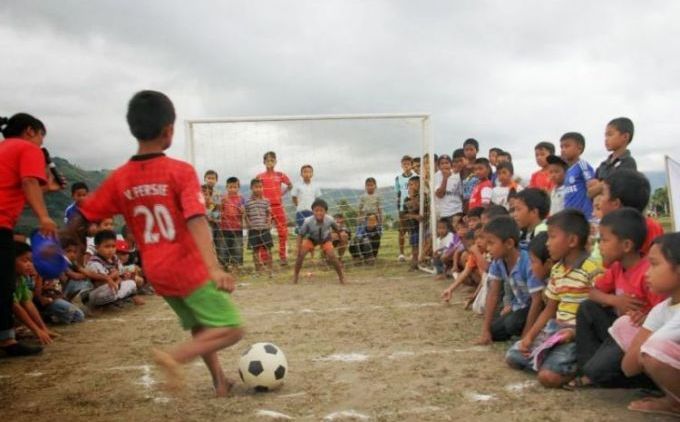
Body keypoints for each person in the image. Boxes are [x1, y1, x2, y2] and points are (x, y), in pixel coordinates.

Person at [72, 91, 243, 396]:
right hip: (187, 267)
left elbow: (83, 217)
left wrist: (54, 240)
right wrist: (213, 268)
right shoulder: (180, 172)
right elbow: (196, 218)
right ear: (169, 131)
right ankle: (174, 357)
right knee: (232, 328)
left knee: (202, 326)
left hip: (157, 272)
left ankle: (220, 381)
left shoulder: (120, 178)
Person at [506, 209, 602, 388]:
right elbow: (550, 309)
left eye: (552, 237)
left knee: (548, 378)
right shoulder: (557, 270)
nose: (548, 244)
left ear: (572, 240)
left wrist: (574, 332)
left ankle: (574, 370)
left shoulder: (591, 269)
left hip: (577, 336)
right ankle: (550, 359)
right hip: (555, 332)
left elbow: (599, 312)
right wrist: (529, 337)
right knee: (513, 355)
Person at [572, 208, 663, 389]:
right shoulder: (616, 268)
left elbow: (664, 313)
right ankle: (588, 370)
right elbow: (593, 292)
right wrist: (615, 301)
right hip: (619, 329)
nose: (599, 246)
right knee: (587, 307)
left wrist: (646, 318)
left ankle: (646, 380)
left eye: (604, 240)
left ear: (626, 245)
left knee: (600, 369)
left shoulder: (648, 273)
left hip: (640, 336)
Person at [0, 112, 59, 357]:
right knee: (4, 284)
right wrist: (44, 217)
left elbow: (18, 191)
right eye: (41, 137)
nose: (41, 145)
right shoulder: (27, 148)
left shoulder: (5, 149)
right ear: (30, 131)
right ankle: (6, 341)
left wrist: (48, 188)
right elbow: (29, 183)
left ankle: (7, 340)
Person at [615, 233, 680, 417]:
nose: (646, 273)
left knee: (654, 350)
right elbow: (629, 367)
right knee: (625, 324)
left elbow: (647, 352)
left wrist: (646, 344)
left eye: (655, 264)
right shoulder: (662, 309)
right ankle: (674, 399)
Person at [474, 216, 545, 344]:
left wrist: (526, 335)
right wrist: (485, 330)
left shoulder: (528, 261)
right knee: (494, 330)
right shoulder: (498, 261)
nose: (487, 248)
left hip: (536, 308)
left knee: (512, 323)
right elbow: (493, 294)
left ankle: (532, 332)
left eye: (491, 243)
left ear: (509, 244)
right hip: (519, 307)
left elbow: (537, 301)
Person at [598, 169, 664, 255]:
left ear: (616, 204)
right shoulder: (654, 226)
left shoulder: (617, 231)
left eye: (603, 194)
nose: (599, 199)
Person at [12, 241, 59, 345]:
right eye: (25, 261)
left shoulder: (21, 279)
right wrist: (36, 331)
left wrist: (43, 328)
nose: (29, 265)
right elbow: (15, 307)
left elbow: (27, 302)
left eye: (31, 261)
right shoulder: (6, 279)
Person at [293, 199, 345, 284]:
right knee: (301, 255)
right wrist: (298, 247)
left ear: (326, 211)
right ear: (312, 211)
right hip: (312, 239)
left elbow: (337, 229)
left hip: (325, 238)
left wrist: (340, 238)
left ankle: (341, 277)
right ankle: (295, 276)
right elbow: (300, 235)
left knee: (332, 256)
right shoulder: (308, 221)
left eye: (321, 210)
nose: (319, 213)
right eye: (316, 210)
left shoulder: (330, 219)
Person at [85, 230, 141, 307]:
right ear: (97, 247)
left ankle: (114, 301)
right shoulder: (94, 262)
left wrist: (118, 279)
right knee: (111, 289)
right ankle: (100, 306)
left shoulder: (114, 258)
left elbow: (120, 275)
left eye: (113, 246)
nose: (111, 250)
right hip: (95, 293)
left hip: (111, 287)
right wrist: (114, 276)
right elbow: (99, 283)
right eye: (107, 246)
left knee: (131, 283)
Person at [256, 151, 292, 265]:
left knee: (283, 232)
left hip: (278, 207)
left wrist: (282, 194)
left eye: (272, 160)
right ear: (264, 162)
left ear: (275, 162)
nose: (270, 162)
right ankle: (264, 259)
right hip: (264, 208)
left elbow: (290, 185)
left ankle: (283, 257)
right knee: (263, 232)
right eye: (267, 160)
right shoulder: (259, 176)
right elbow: (255, 189)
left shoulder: (280, 175)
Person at [588, 117, 637, 198]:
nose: (606, 139)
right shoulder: (603, 165)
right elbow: (590, 192)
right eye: (605, 136)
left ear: (625, 137)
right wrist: (603, 185)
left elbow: (618, 186)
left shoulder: (628, 162)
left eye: (610, 135)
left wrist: (600, 186)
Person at [560, 132, 595, 220]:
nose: (563, 150)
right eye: (561, 147)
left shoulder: (582, 166)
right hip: (569, 216)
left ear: (579, 148)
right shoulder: (567, 170)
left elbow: (592, 189)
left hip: (583, 217)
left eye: (567, 146)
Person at [245, 178, 274, 277]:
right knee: (255, 251)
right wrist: (248, 224)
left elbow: (269, 213)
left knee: (268, 249)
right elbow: (246, 215)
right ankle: (258, 271)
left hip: (264, 229)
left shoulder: (266, 201)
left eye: (260, 187)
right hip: (254, 230)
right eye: (256, 187)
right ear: (251, 188)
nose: (258, 189)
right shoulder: (248, 202)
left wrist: (269, 223)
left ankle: (270, 271)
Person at [220, 177, 246, 271]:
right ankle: (224, 267)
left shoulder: (241, 198)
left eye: (235, 187)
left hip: (237, 228)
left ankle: (236, 267)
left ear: (238, 188)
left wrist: (243, 211)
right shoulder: (223, 198)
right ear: (226, 187)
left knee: (237, 248)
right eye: (230, 187)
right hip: (224, 228)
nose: (232, 189)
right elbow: (219, 211)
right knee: (223, 248)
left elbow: (243, 211)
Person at [395, 155, 415, 262]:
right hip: (403, 207)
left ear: (411, 165)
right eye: (404, 164)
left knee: (412, 230)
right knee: (402, 230)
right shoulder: (398, 178)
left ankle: (413, 253)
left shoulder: (416, 176)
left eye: (408, 164)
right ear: (401, 165)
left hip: (413, 207)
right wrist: (399, 208)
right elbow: (397, 194)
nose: (406, 166)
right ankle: (401, 253)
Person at [292, 165, 322, 233]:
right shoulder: (297, 185)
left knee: (312, 232)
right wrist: (297, 205)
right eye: (305, 172)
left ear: (312, 174)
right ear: (301, 174)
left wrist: (317, 210)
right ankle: (300, 243)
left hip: (312, 212)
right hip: (300, 211)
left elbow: (318, 199)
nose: (307, 174)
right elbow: (294, 197)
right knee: (301, 232)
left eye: (309, 172)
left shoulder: (316, 186)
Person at [402, 176, 424, 270]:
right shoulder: (406, 200)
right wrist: (415, 216)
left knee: (424, 245)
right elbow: (406, 214)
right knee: (414, 247)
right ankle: (414, 263)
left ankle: (422, 261)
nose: (411, 187)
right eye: (409, 185)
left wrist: (415, 197)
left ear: (419, 185)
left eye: (413, 184)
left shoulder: (423, 197)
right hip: (413, 227)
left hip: (423, 226)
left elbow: (418, 206)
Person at [433, 154, 463, 219]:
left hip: (457, 211)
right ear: (438, 166)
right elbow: (440, 195)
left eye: (447, 163)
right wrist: (445, 178)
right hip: (443, 213)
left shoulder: (457, 175)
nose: (445, 165)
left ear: (451, 164)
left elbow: (461, 194)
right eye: (442, 163)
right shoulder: (435, 176)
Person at [460, 140, 480, 211]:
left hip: (479, 202)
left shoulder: (481, 165)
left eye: (471, 149)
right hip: (465, 203)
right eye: (466, 150)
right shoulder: (462, 168)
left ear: (477, 150)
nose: (469, 152)